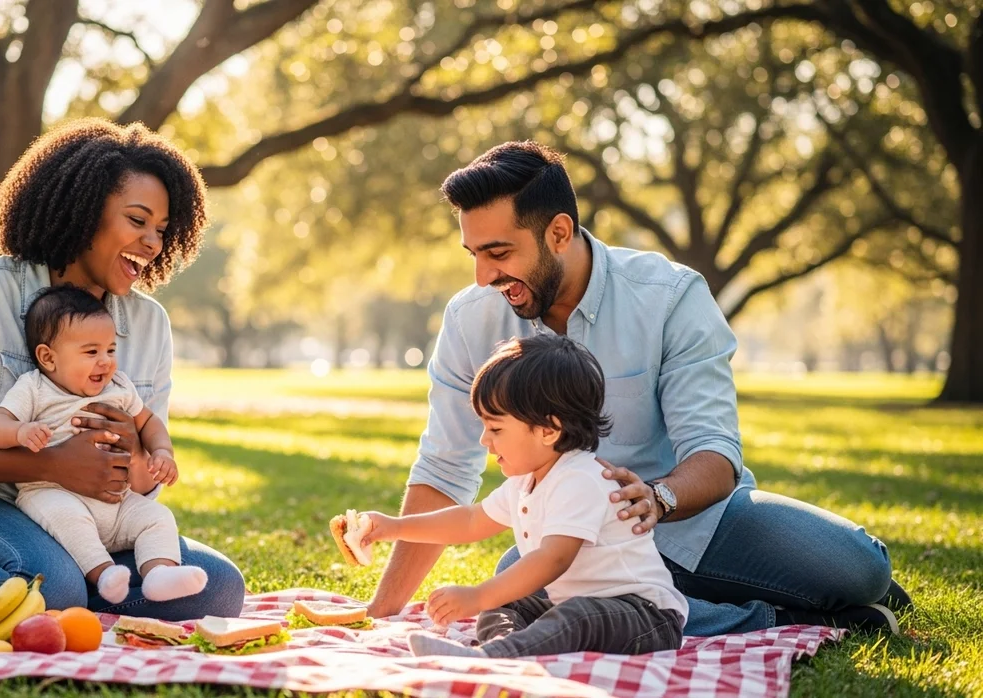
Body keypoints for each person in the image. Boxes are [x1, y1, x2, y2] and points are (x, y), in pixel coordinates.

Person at [368, 141, 908, 636]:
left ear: (558, 232)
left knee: (859, 569)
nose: (484, 276)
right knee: (518, 590)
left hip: (697, 519)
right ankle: (777, 615)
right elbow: (446, 467)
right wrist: (382, 614)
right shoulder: (471, 320)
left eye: (499, 253)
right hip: (573, 542)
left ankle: (742, 590)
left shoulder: (670, 296)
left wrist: (658, 497)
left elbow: (714, 451)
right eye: (475, 255)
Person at [0, 118, 244, 620]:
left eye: (161, 230)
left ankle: (74, 592)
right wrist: (48, 463)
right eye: (137, 220)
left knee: (217, 590)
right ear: (84, 212)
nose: (151, 242)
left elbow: (145, 480)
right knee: (53, 585)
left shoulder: (149, 324)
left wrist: (136, 454)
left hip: (92, 520)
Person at [362, 334, 687, 658]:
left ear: (549, 430)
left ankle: (495, 656)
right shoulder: (527, 481)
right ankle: (501, 645)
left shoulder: (580, 479)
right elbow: (470, 521)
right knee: (507, 603)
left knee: (575, 616)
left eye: (496, 429)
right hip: (580, 606)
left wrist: (476, 596)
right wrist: (393, 527)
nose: (485, 440)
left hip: (647, 616)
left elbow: (552, 559)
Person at [0, 285, 207, 605]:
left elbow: (149, 422)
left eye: (111, 350)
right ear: (48, 357)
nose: (105, 362)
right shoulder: (35, 388)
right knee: (65, 515)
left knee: (157, 517)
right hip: (53, 492)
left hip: (118, 501)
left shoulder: (119, 386)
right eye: (91, 352)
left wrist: (162, 452)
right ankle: (104, 574)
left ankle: (158, 574)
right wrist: (19, 431)